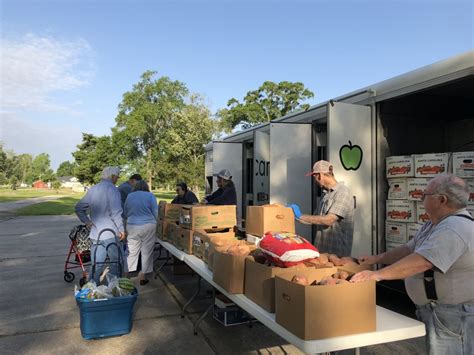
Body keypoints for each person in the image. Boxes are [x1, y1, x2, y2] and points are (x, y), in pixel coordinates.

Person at [351, 174, 473, 355]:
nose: (421, 198)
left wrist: (377, 275)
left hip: (452, 316)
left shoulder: (454, 227)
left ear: (441, 200)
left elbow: (423, 261)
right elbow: (409, 249)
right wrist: (376, 259)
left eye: (425, 195)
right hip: (439, 312)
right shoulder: (435, 224)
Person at [75, 166, 125, 283]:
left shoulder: (93, 189)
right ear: (112, 176)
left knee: (96, 265)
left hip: (96, 234)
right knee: (116, 263)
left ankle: (93, 290)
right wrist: (121, 229)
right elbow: (116, 212)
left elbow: (78, 208)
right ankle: (113, 288)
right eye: (117, 177)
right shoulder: (113, 189)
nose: (117, 179)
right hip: (111, 233)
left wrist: (87, 222)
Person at [297, 160, 354, 256]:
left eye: (314, 176)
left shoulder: (343, 193)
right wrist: (293, 216)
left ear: (320, 175)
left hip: (337, 256)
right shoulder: (325, 195)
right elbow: (314, 219)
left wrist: (301, 216)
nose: (314, 180)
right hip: (322, 253)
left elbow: (329, 220)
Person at [124, 180, 159, 285]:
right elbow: (155, 212)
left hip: (132, 225)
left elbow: (125, 211)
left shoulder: (129, 196)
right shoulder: (150, 196)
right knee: (146, 251)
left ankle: (126, 275)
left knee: (131, 251)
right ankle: (143, 276)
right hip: (148, 225)